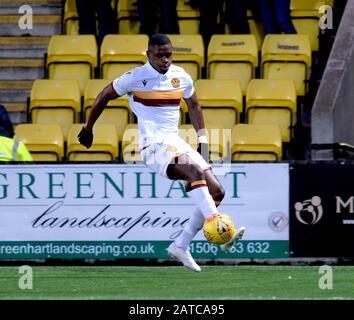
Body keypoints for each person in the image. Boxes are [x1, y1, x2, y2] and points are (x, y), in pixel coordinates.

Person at [77, 34, 245, 272]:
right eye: (160, 55)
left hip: (175, 141)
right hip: (152, 145)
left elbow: (194, 106)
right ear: (149, 55)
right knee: (194, 172)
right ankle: (218, 226)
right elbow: (105, 95)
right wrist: (88, 128)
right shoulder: (135, 78)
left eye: (169, 54)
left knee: (218, 190)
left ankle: (181, 245)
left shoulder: (181, 77)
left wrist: (203, 140)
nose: (165, 59)